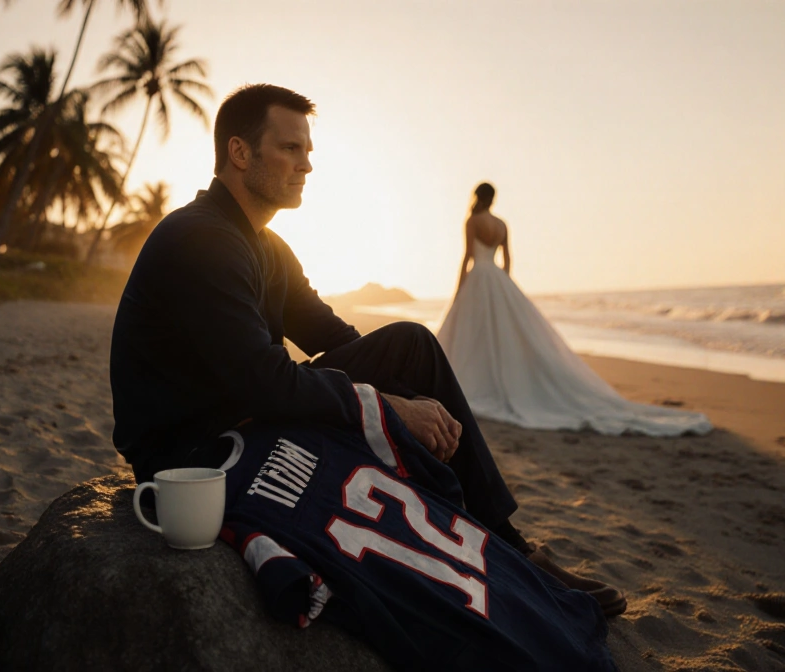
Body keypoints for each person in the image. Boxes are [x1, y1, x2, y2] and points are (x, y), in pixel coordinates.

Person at [109, 85, 627, 616]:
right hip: (194, 452)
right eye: (290, 148)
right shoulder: (202, 238)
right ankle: (497, 543)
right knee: (392, 383)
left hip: (241, 411)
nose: (306, 165)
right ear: (240, 152)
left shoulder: (269, 246)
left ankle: (502, 537)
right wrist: (388, 407)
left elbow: (336, 339)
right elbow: (263, 380)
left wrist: (410, 397)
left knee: (410, 345)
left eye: (308, 150)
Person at [437, 183, 713, 436]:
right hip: (498, 278)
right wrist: (504, 286)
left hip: (479, 277)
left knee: (474, 334)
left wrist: (460, 288)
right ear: (493, 199)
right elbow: (508, 259)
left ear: (477, 197)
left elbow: (468, 256)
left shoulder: (472, 221)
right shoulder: (501, 224)